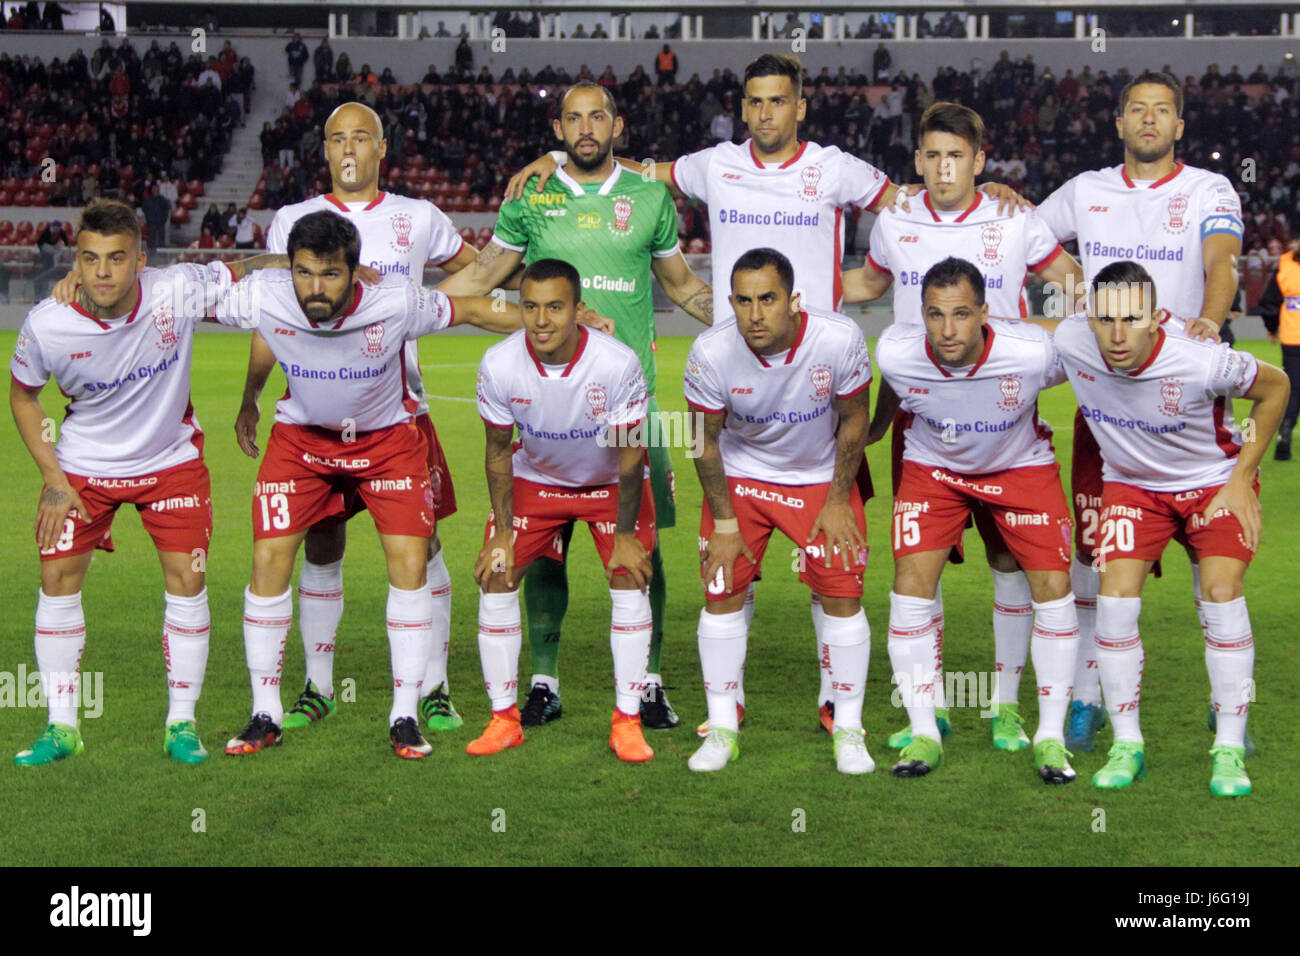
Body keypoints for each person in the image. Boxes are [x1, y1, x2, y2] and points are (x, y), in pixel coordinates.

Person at [505, 53, 1024, 734]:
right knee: (731, 558)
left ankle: (838, 696)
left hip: (818, 379)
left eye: (778, 101)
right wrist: (552, 154)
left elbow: (911, 197)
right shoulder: (716, 164)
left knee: (830, 555)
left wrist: (995, 199)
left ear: (800, 106)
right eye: (754, 102)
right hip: (736, 383)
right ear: (743, 107)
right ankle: (729, 702)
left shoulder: (835, 168)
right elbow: (632, 171)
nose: (765, 113)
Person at [216, 211, 537, 759]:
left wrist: (554, 321)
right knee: (268, 562)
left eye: (331, 275)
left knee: (410, 565)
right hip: (302, 442)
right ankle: (264, 712)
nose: (316, 289)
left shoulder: (396, 300)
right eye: (303, 273)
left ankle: (405, 714)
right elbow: (172, 294)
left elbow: (476, 308)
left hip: (387, 443)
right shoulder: (264, 294)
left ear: (356, 272)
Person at [440, 82, 711, 731]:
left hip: (632, 405)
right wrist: (402, 310)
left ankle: (645, 682)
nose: (586, 127)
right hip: (547, 407)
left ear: (617, 125)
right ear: (557, 129)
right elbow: (482, 278)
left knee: (645, 547)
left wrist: (746, 322)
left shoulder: (650, 199)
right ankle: (542, 679)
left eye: (598, 116)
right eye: (574, 118)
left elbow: (682, 286)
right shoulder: (532, 198)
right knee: (544, 545)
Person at [236, 102, 483, 735]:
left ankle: (434, 687)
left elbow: (477, 271)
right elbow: (273, 312)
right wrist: (252, 393)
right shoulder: (291, 219)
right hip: (313, 415)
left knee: (423, 547)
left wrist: (435, 303)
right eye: (336, 138)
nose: (348, 148)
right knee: (321, 542)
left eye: (360, 138)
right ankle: (318, 686)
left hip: (400, 412)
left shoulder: (416, 217)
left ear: (380, 149)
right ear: (324, 151)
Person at [842, 101, 1083, 752]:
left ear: (980, 161)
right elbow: (869, 283)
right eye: (932, 156)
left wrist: (1083, 330)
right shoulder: (896, 220)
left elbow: (1071, 281)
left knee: (1009, 562)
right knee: (921, 568)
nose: (944, 168)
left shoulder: (1012, 217)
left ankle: (1005, 704)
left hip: (1005, 412)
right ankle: (934, 709)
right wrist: (800, 293)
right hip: (922, 413)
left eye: (958, 156)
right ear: (918, 161)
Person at [8, 199, 278, 766]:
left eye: (116, 258)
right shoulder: (47, 324)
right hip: (83, 467)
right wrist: (54, 479)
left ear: (140, 260)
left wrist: (317, 261)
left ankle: (181, 723)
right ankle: (62, 727)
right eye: (89, 259)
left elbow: (248, 268)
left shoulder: (175, 289)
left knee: (188, 580)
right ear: (75, 263)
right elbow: (23, 395)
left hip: (170, 460)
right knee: (56, 579)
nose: (103, 272)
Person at [1037, 70, 1246, 753]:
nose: (1150, 120)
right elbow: (1024, 244)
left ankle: (1227, 704)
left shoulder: (1208, 190)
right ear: (1119, 123)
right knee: (1095, 557)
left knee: (1208, 559)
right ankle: (1090, 696)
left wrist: (1209, 326)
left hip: (1186, 393)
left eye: (1163, 111)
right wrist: (1070, 288)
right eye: (1137, 110)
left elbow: (1224, 261)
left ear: (1179, 126)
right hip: (1106, 405)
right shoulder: (1087, 190)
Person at [1055, 262, 1289, 795]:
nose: (1117, 335)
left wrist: (1240, 480)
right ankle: (1127, 744)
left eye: (1132, 319)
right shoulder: (1072, 340)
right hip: (1134, 487)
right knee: (1114, 604)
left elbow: (1276, 388)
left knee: (1221, 594)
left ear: (1157, 317)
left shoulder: (1201, 359)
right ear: (1087, 317)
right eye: (1106, 319)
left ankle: (1228, 748)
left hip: (1211, 483)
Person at [875, 257, 1080, 782]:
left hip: (1019, 466)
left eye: (962, 314)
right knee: (910, 586)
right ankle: (924, 729)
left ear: (985, 313)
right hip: (934, 467)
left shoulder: (1033, 352)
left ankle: (1047, 736)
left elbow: (1096, 343)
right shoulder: (896, 352)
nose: (948, 330)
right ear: (920, 314)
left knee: (1052, 589)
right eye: (936, 315)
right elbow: (894, 385)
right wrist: (874, 433)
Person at [683, 248, 875, 774]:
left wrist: (839, 500)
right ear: (730, 302)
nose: (755, 314)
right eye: (743, 301)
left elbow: (855, 419)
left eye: (768, 299)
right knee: (721, 589)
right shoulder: (710, 352)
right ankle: (723, 724)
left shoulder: (838, 340)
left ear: (793, 300)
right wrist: (724, 524)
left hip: (817, 475)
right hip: (742, 478)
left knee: (842, 591)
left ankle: (848, 725)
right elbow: (703, 443)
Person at [468, 258, 659, 761]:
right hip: (538, 479)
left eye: (555, 307)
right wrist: (503, 532)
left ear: (579, 309)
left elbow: (632, 453)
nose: (541, 320)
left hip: (607, 484)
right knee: (496, 575)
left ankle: (627, 722)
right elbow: (495, 451)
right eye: (530, 307)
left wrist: (623, 534)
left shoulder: (617, 363)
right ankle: (504, 719)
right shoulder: (499, 363)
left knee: (628, 574)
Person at [1255, 245, 1300, 459]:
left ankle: (1285, 431)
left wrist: (1272, 328)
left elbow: (1269, 301)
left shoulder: (1285, 263)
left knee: (1294, 388)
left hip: (1292, 337)